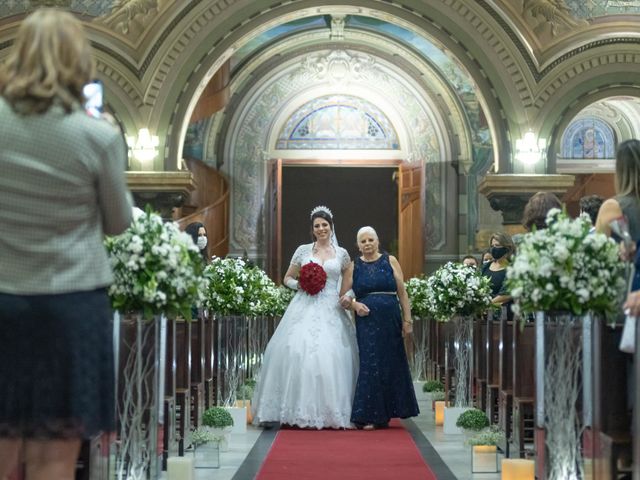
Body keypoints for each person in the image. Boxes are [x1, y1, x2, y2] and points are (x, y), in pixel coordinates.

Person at [0, 9, 132, 480]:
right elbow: (119, 224)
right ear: (78, 60)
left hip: (3, 299)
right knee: (53, 457)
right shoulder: (96, 135)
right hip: (70, 305)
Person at [251, 206, 358, 429]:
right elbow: (286, 278)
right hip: (304, 303)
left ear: (331, 226)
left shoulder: (342, 254)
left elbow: (348, 285)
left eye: (324, 225)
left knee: (332, 354)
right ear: (312, 229)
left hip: (331, 305)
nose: (321, 229)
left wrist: (347, 297)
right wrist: (300, 284)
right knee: (294, 349)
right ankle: (291, 408)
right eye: (317, 226)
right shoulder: (303, 250)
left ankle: (330, 411)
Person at [339, 226, 419, 430]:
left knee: (391, 362)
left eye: (370, 240)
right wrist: (355, 305)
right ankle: (370, 414)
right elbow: (342, 297)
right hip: (367, 322)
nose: (367, 244)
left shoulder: (390, 260)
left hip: (391, 319)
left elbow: (402, 292)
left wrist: (407, 320)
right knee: (370, 363)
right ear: (358, 245)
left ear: (377, 241)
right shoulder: (353, 266)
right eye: (363, 241)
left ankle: (388, 413)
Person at [481, 233, 515, 307]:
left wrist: (485, 305)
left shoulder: (513, 268)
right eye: (492, 246)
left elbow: (506, 294)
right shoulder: (486, 266)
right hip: (483, 313)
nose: (494, 248)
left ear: (507, 247)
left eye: (497, 245)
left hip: (505, 312)